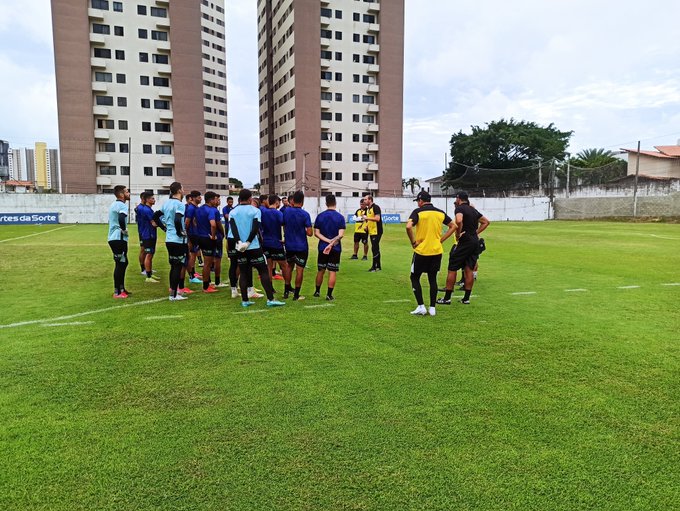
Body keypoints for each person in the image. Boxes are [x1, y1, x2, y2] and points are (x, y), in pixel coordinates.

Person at [228, 188, 285, 308]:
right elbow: (255, 228)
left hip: (240, 247)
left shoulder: (233, 212)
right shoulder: (255, 210)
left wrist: (239, 242)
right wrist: (248, 242)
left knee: (243, 273)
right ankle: (270, 299)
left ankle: (245, 300)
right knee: (263, 271)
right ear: (250, 199)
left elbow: (233, 229)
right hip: (253, 246)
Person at [406, 191, 456, 316]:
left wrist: (413, 242)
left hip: (422, 251)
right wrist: (441, 240)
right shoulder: (440, 212)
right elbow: (453, 226)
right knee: (432, 278)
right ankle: (432, 308)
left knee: (414, 277)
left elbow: (408, 227)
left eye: (418, 201)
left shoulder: (418, 212)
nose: (418, 203)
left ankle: (421, 306)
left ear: (421, 200)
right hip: (436, 251)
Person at [438, 191, 490, 305]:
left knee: (452, 268)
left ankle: (447, 298)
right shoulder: (473, 210)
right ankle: (466, 299)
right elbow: (486, 222)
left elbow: (459, 220)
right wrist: (475, 233)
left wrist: (458, 233)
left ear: (458, 198)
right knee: (469, 269)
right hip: (474, 242)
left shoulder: (459, 209)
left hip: (465, 241)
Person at [156, 181, 190, 301]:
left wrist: (164, 228)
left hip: (169, 239)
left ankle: (173, 292)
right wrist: (180, 232)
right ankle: (174, 295)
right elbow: (177, 219)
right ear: (179, 190)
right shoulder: (179, 204)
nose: (184, 190)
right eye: (183, 188)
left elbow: (155, 216)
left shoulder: (166, 203)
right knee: (178, 267)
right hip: (177, 240)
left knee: (173, 266)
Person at [313, 195, 346, 300]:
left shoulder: (320, 216)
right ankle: (329, 294)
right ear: (335, 203)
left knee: (321, 270)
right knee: (332, 271)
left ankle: (317, 292)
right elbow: (341, 235)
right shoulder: (340, 217)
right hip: (335, 248)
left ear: (326, 203)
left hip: (323, 247)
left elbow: (316, 233)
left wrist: (327, 242)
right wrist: (332, 242)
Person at [282, 190, 313, 300]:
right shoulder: (305, 214)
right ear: (302, 201)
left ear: (292, 200)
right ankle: (296, 295)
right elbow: (310, 233)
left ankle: (286, 291)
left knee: (289, 267)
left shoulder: (286, 212)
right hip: (301, 246)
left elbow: (282, 224)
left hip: (289, 245)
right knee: (300, 270)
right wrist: (302, 229)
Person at [195, 191, 222, 293]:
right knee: (208, 263)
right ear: (211, 200)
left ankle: (208, 284)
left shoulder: (199, 209)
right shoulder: (211, 210)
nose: (217, 201)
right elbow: (213, 224)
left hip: (200, 237)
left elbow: (194, 221)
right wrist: (214, 236)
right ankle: (206, 287)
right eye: (215, 199)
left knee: (207, 262)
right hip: (208, 238)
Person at [107, 185, 131, 298]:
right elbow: (121, 218)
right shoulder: (122, 205)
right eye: (127, 192)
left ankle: (121, 288)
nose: (129, 193)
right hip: (118, 238)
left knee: (123, 262)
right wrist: (124, 230)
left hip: (114, 238)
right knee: (120, 263)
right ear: (121, 194)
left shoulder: (114, 204)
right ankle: (117, 291)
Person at [261, 193, 287, 283]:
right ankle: (287, 287)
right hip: (276, 242)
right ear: (277, 202)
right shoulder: (278, 213)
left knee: (269, 265)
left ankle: (270, 287)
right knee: (284, 265)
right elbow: (284, 224)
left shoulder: (263, 213)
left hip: (265, 242)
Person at [135, 191, 159, 283]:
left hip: (147, 232)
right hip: (146, 233)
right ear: (145, 199)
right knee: (146, 252)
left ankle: (148, 271)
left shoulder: (142, 208)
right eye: (152, 198)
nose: (154, 200)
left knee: (149, 253)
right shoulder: (144, 209)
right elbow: (153, 223)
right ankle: (145, 271)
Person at [185, 190, 202, 284]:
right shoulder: (191, 208)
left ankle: (193, 273)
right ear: (193, 198)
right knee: (192, 255)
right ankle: (191, 276)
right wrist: (187, 235)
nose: (200, 199)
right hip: (192, 234)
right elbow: (187, 222)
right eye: (198, 197)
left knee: (194, 254)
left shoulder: (196, 207)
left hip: (196, 234)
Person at [363, 195, 383, 271]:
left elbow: (377, 219)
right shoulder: (368, 209)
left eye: (365, 199)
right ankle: (378, 266)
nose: (364, 201)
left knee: (374, 248)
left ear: (370, 200)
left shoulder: (376, 207)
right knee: (376, 248)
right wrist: (366, 227)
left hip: (377, 231)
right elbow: (370, 220)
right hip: (372, 231)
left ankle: (374, 267)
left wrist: (366, 218)